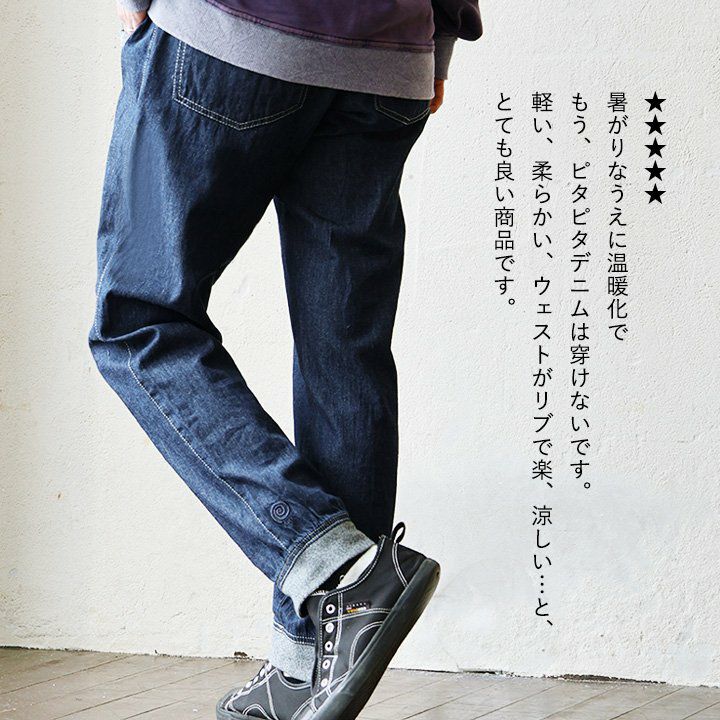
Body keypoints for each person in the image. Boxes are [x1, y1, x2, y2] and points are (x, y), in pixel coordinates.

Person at [91, 1, 482, 718]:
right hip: (389, 49)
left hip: (236, 26)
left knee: (138, 321)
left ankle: (335, 569)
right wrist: (443, 35)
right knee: (343, 352)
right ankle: (308, 672)